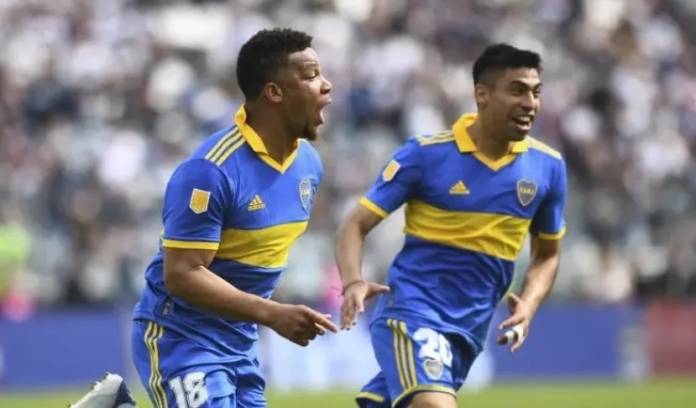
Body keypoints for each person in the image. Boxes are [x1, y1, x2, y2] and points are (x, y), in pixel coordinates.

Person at [335, 43, 567, 408]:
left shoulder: (548, 168)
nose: (530, 104)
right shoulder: (426, 155)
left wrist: (529, 304)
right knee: (435, 405)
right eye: (517, 90)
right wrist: (352, 282)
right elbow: (354, 225)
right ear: (482, 95)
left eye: (536, 93)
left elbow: (547, 254)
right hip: (412, 312)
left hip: (469, 330)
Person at [128, 28, 335, 408]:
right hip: (181, 337)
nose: (326, 85)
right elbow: (182, 274)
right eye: (310, 75)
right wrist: (272, 313)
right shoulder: (211, 170)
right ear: (274, 92)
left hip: (239, 344)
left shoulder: (309, 164)